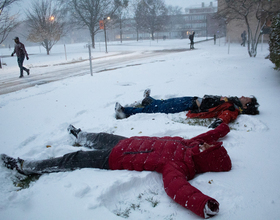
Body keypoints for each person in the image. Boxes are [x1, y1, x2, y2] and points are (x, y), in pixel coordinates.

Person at [1, 123, 232, 218]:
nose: (206, 144)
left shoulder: (180, 166)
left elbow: (177, 187)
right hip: (127, 142)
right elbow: (206, 136)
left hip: (116, 158)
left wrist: (203, 204)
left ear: (206, 158)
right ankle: (81, 135)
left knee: (74, 159)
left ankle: (27, 167)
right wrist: (222, 128)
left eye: (209, 148)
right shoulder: (189, 144)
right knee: (100, 136)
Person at [115, 89, 259, 128]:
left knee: (158, 109)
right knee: (167, 102)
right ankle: (149, 100)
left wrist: (218, 124)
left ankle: (124, 111)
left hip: (190, 106)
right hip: (193, 99)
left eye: (247, 98)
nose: (243, 96)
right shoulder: (232, 101)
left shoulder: (233, 108)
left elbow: (224, 118)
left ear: (246, 105)